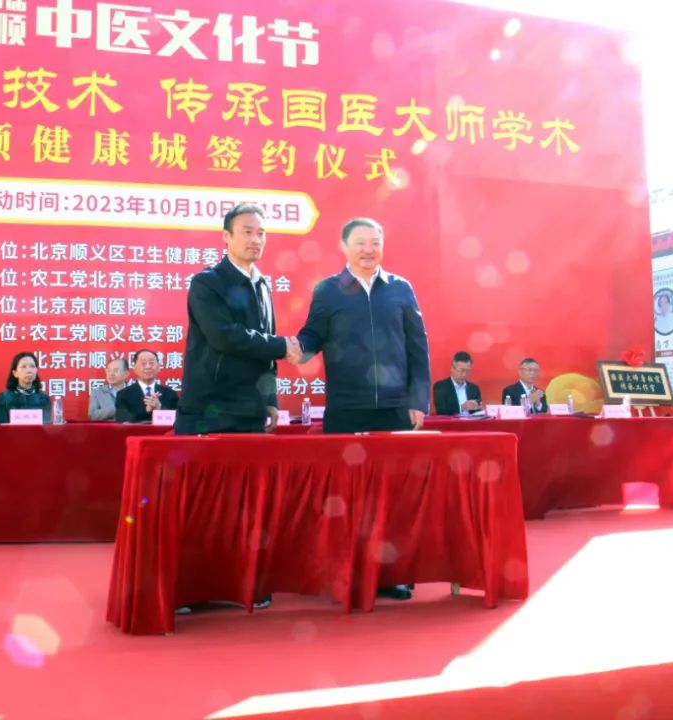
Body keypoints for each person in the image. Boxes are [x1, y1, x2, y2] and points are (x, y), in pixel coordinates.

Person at [295, 217, 431, 602]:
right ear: (344, 247)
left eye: (375, 242)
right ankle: (342, 572)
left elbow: (417, 346)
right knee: (344, 495)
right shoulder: (328, 290)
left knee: (393, 495)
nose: (368, 250)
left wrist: (417, 400)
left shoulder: (401, 289)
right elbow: (312, 336)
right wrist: (290, 349)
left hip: (394, 410)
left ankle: (392, 574)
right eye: (360, 243)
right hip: (346, 409)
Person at [176, 202, 300, 435]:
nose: (256, 240)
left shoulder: (262, 285)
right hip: (210, 411)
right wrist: (282, 346)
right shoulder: (207, 282)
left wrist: (270, 399)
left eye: (261, 233)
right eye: (247, 232)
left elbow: (266, 345)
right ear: (227, 236)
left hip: (251, 412)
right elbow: (225, 336)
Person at [115, 349, 179, 423]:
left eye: (151, 363)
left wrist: (159, 408)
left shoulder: (170, 394)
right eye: (143, 363)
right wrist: (146, 410)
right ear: (134, 368)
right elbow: (122, 419)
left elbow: (178, 418)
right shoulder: (123, 394)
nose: (148, 366)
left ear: (158, 367)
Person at [0, 352, 52, 423]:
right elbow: (1, 426)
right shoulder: (3, 398)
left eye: (32, 366)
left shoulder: (44, 399)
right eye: (23, 367)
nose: (29, 370)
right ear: (15, 373)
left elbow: (45, 425)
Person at [432, 351, 482, 415]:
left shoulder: (474, 388)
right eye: (461, 371)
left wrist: (477, 407)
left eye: (467, 371)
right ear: (452, 368)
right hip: (451, 421)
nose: (464, 374)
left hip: (472, 421)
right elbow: (441, 410)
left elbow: (479, 411)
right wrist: (461, 407)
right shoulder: (440, 387)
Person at [88, 356, 130, 421]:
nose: (111, 374)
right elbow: (92, 416)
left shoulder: (135, 392)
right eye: (108, 370)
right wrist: (117, 408)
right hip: (107, 427)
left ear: (126, 374)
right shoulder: (97, 392)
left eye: (116, 370)